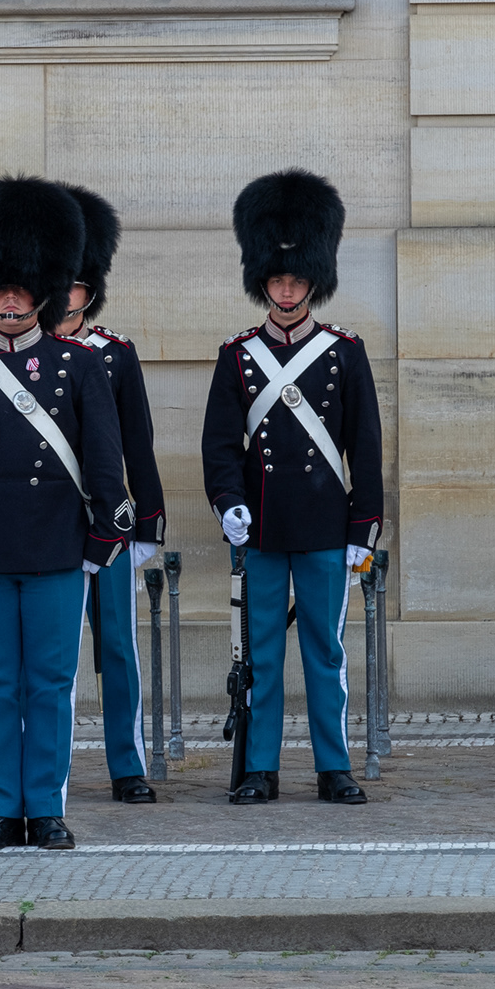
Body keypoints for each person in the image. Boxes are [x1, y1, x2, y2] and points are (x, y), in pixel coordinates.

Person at [0, 176, 134, 850]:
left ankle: (45, 806)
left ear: (42, 288)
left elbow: (104, 462)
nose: (9, 300)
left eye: (20, 288)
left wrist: (103, 540)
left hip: (55, 551)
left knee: (48, 684)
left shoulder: (76, 365)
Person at [200, 168, 383, 806]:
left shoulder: (343, 353)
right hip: (265, 528)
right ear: (263, 282)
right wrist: (229, 506)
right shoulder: (238, 355)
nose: (285, 288)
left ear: (313, 281)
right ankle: (260, 766)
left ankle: (334, 766)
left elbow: (365, 446)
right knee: (264, 658)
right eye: (277, 279)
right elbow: (220, 446)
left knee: (325, 653)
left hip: (325, 526)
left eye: (296, 278)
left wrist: (364, 528)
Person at [51, 184, 166, 804]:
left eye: (74, 284)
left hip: (109, 525)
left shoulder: (116, 354)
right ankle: (41, 765)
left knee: (117, 648)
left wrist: (147, 523)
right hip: (46, 526)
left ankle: (128, 764)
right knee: (47, 659)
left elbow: (137, 446)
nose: (64, 295)